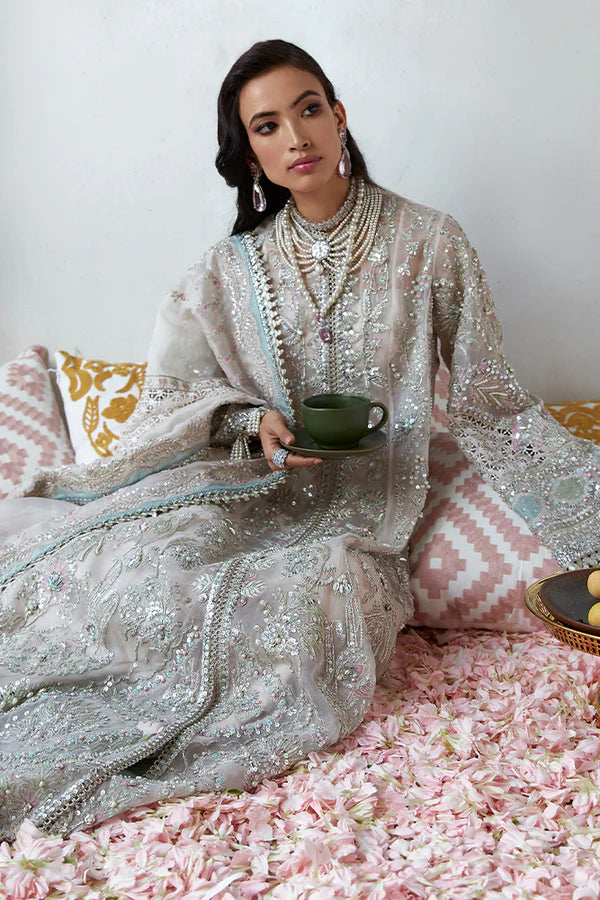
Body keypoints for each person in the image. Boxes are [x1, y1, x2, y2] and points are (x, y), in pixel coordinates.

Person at [1, 39, 598, 841]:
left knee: (315, 600)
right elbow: (171, 395)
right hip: (247, 491)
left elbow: (490, 399)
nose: (296, 137)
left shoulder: (430, 243)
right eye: (268, 126)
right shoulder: (226, 271)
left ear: (340, 116)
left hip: (366, 519)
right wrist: (249, 422)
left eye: (308, 109)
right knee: (140, 566)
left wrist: (586, 516)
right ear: (250, 153)